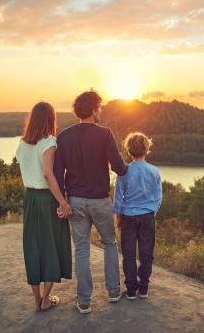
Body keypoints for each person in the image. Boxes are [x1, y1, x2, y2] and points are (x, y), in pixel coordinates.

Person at [54, 90, 127, 314]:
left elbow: (57, 173)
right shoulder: (105, 134)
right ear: (94, 110)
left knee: (82, 249)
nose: (101, 111)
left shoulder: (64, 136)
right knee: (109, 243)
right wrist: (130, 168)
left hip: (75, 201)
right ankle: (114, 292)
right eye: (100, 108)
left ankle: (84, 301)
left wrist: (62, 202)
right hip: (100, 201)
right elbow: (118, 167)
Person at [15, 102, 72, 312]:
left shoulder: (22, 143)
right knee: (51, 245)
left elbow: (27, 169)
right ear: (51, 119)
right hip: (46, 199)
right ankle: (46, 299)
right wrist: (62, 202)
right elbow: (48, 174)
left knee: (33, 246)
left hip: (30, 198)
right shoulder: (49, 142)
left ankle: (36, 299)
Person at [114, 132, 162, 300]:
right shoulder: (154, 171)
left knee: (128, 254)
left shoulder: (124, 171)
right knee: (146, 253)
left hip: (128, 217)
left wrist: (118, 216)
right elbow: (158, 197)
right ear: (147, 149)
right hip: (147, 216)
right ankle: (144, 289)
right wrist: (151, 212)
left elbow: (118, 196)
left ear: (129, 150)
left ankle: (131, 290)